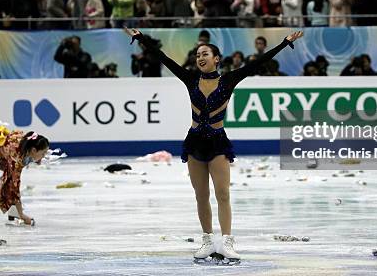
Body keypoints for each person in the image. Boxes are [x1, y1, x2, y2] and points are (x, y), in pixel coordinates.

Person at [125, 26, 304, 263]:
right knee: (201, 195)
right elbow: (163, 58)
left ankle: (227, 240)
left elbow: (258, 62)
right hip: (194, 143)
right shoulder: (190, 78)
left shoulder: (229, 79)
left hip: (218, 144)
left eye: (205, 54)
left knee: (222, 194)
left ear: (216, 59)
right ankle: (208, 240)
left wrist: (284, 43)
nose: (200, 58)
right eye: (198, 55)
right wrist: (141, 39)